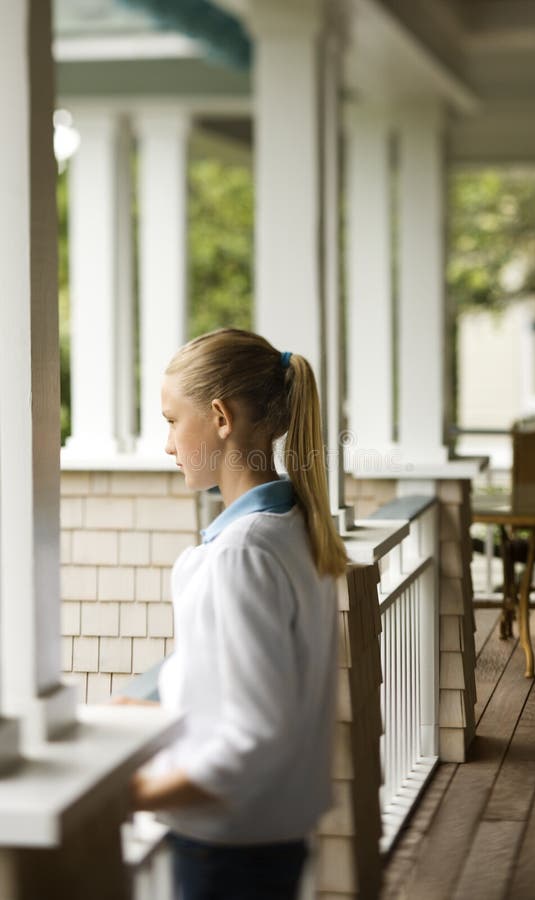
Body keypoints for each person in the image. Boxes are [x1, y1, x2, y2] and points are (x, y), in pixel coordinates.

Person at [127, 328, 347, 900]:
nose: (169, 445)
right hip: (270, 837)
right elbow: (250, 680)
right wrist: (156, 708)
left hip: (229, 850)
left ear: (220, 417)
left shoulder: (243, 553)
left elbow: (255, 733)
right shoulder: (291, 526)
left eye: (173, 421)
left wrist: (131, 794)